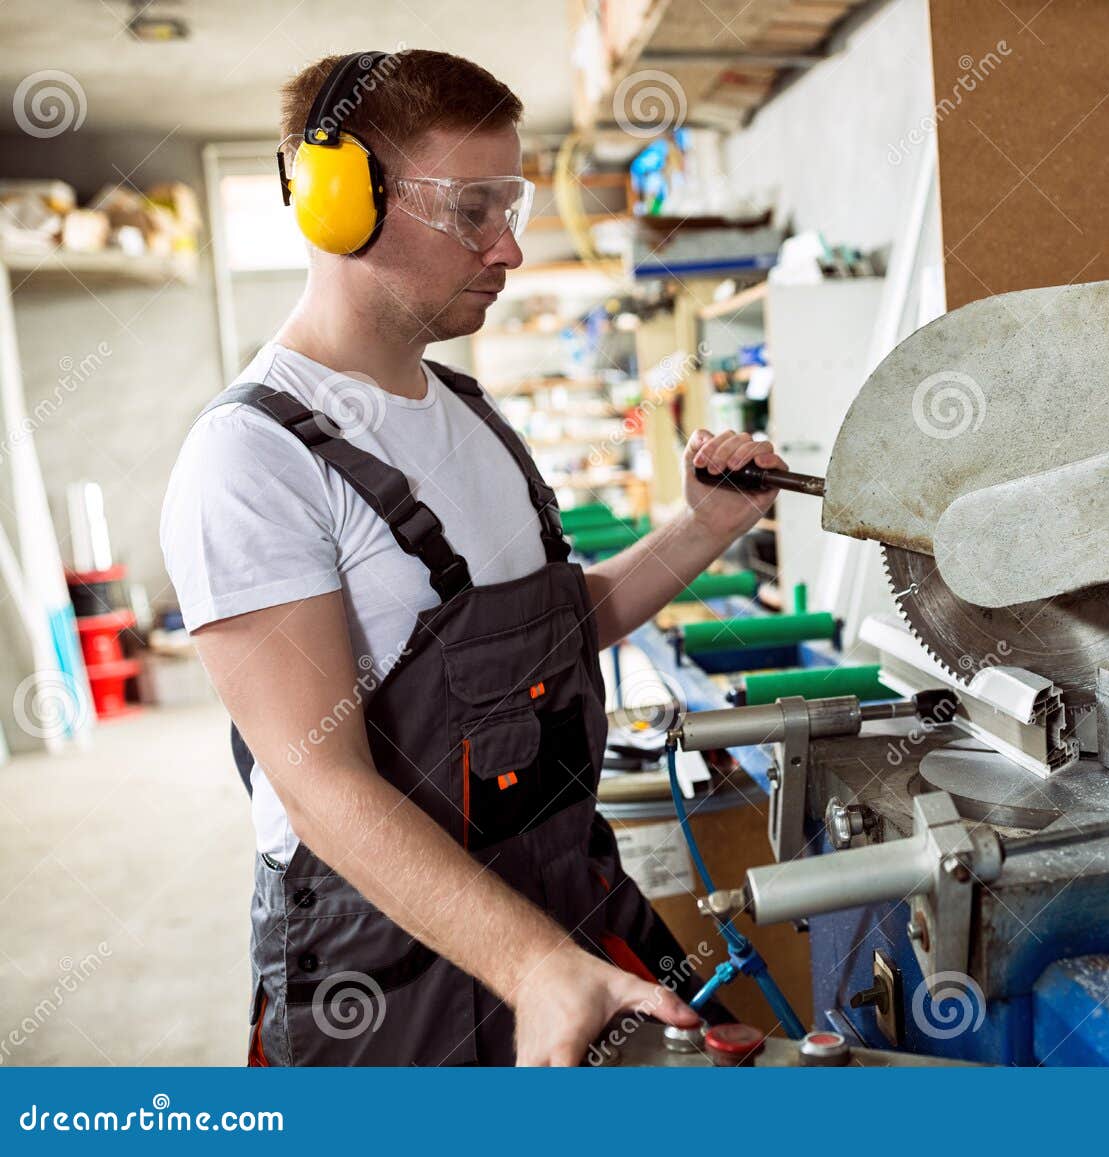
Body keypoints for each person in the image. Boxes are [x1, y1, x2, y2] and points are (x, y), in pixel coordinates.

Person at [160, 49, 786, 1066]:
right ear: (338, 206)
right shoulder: (251, 459)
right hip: (390, 971)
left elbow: (552, 626)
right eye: (472, 211)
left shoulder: (469, 413)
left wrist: (704, 528)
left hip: (564, 896)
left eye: (514, 207)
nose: (510, 250)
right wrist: (534, 963)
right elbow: (320, 783)